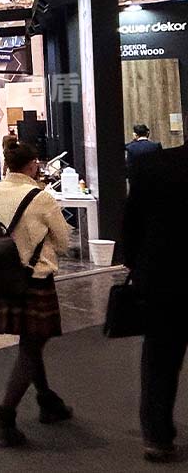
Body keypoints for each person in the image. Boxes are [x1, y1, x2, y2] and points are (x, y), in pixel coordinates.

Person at [0, 143, 72, 448]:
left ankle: (47, 399)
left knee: (30, 342)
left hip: (6, 278)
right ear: (33, 164)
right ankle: (5, 416)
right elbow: (63, 242)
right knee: (33, 346)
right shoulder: (41, 197)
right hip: (35, 279)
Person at [124, 140, 188, 463]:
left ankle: (156, 438)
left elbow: (131, 224)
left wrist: (136, 266)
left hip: (162, 280)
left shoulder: (150, 166)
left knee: (159, 360)